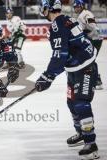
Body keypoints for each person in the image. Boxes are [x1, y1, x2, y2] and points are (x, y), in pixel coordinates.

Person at [35, 0, 99, 159]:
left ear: (47, 9)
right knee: (71, 102)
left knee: (80, 102)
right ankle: (81, 133)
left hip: (85, 68)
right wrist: (49, 75)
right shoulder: (66, 19)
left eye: (42, 8)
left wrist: (47, 76)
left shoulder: (57, 25)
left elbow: (60, 54)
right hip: (75, 67)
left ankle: (91, 144)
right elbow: (66, 51)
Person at [73, 0, 103, 90]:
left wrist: (84, 33)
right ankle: (93, 79)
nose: (75, 8)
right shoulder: (82, 14)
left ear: (81, 6)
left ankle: (97, 80)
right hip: (92, 39)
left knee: (89, 60)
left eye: (77, 6)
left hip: (95, 40)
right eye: (74, 7)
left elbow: (93, 26)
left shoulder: (86, 14)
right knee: (87, 59)